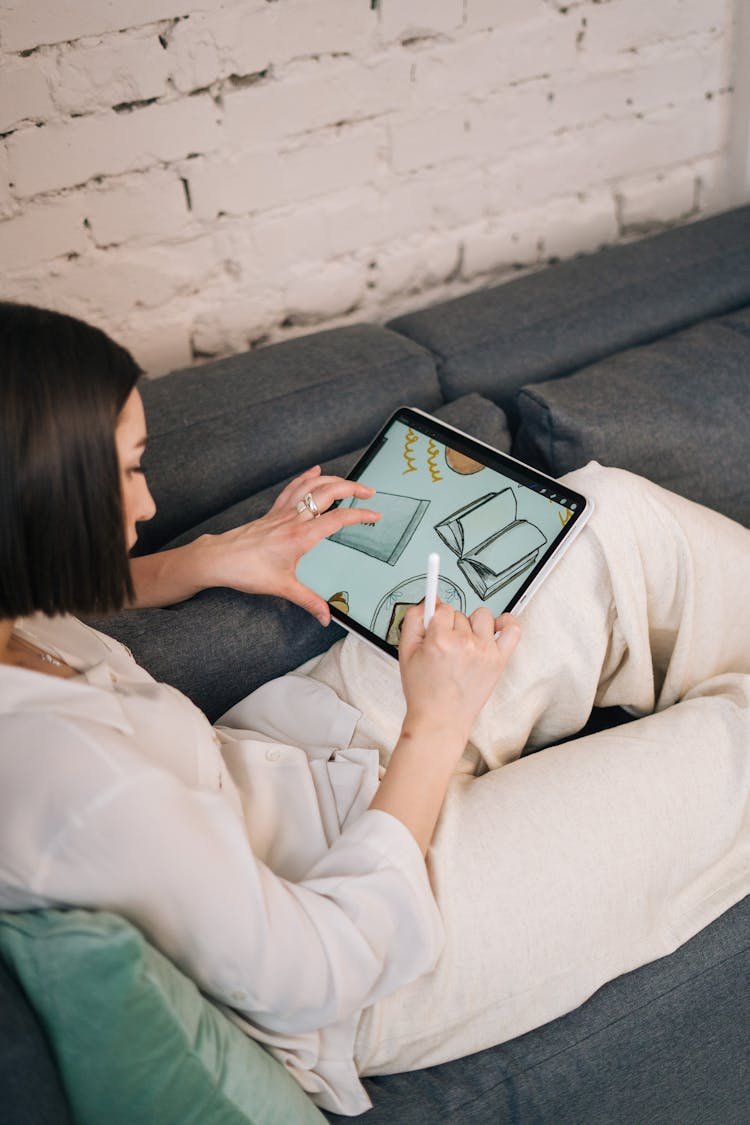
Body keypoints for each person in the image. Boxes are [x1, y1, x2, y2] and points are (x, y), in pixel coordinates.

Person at [0, 302, 748, 1117]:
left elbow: (42, 605)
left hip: (299, 759)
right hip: (369, 934)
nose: (145, 507)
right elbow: (318, 972)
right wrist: (435, 723)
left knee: (609, 522)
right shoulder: (67, 779)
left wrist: (211, 558)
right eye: (127, 471)